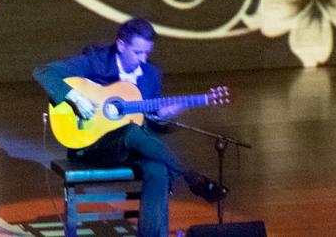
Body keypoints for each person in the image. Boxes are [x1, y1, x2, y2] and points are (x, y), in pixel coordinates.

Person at [34, 18, 227, 237]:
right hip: (93, 145)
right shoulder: (96, 60)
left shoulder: (151, 74)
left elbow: (155, 120)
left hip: (134, 146)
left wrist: (180, 105)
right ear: (122, 45)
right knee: (132, 132)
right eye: (137, 52)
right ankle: (191, 176)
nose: (143, 59)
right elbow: (43, 72)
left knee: (159, 170)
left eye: (147, 53)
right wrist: (76, 98)